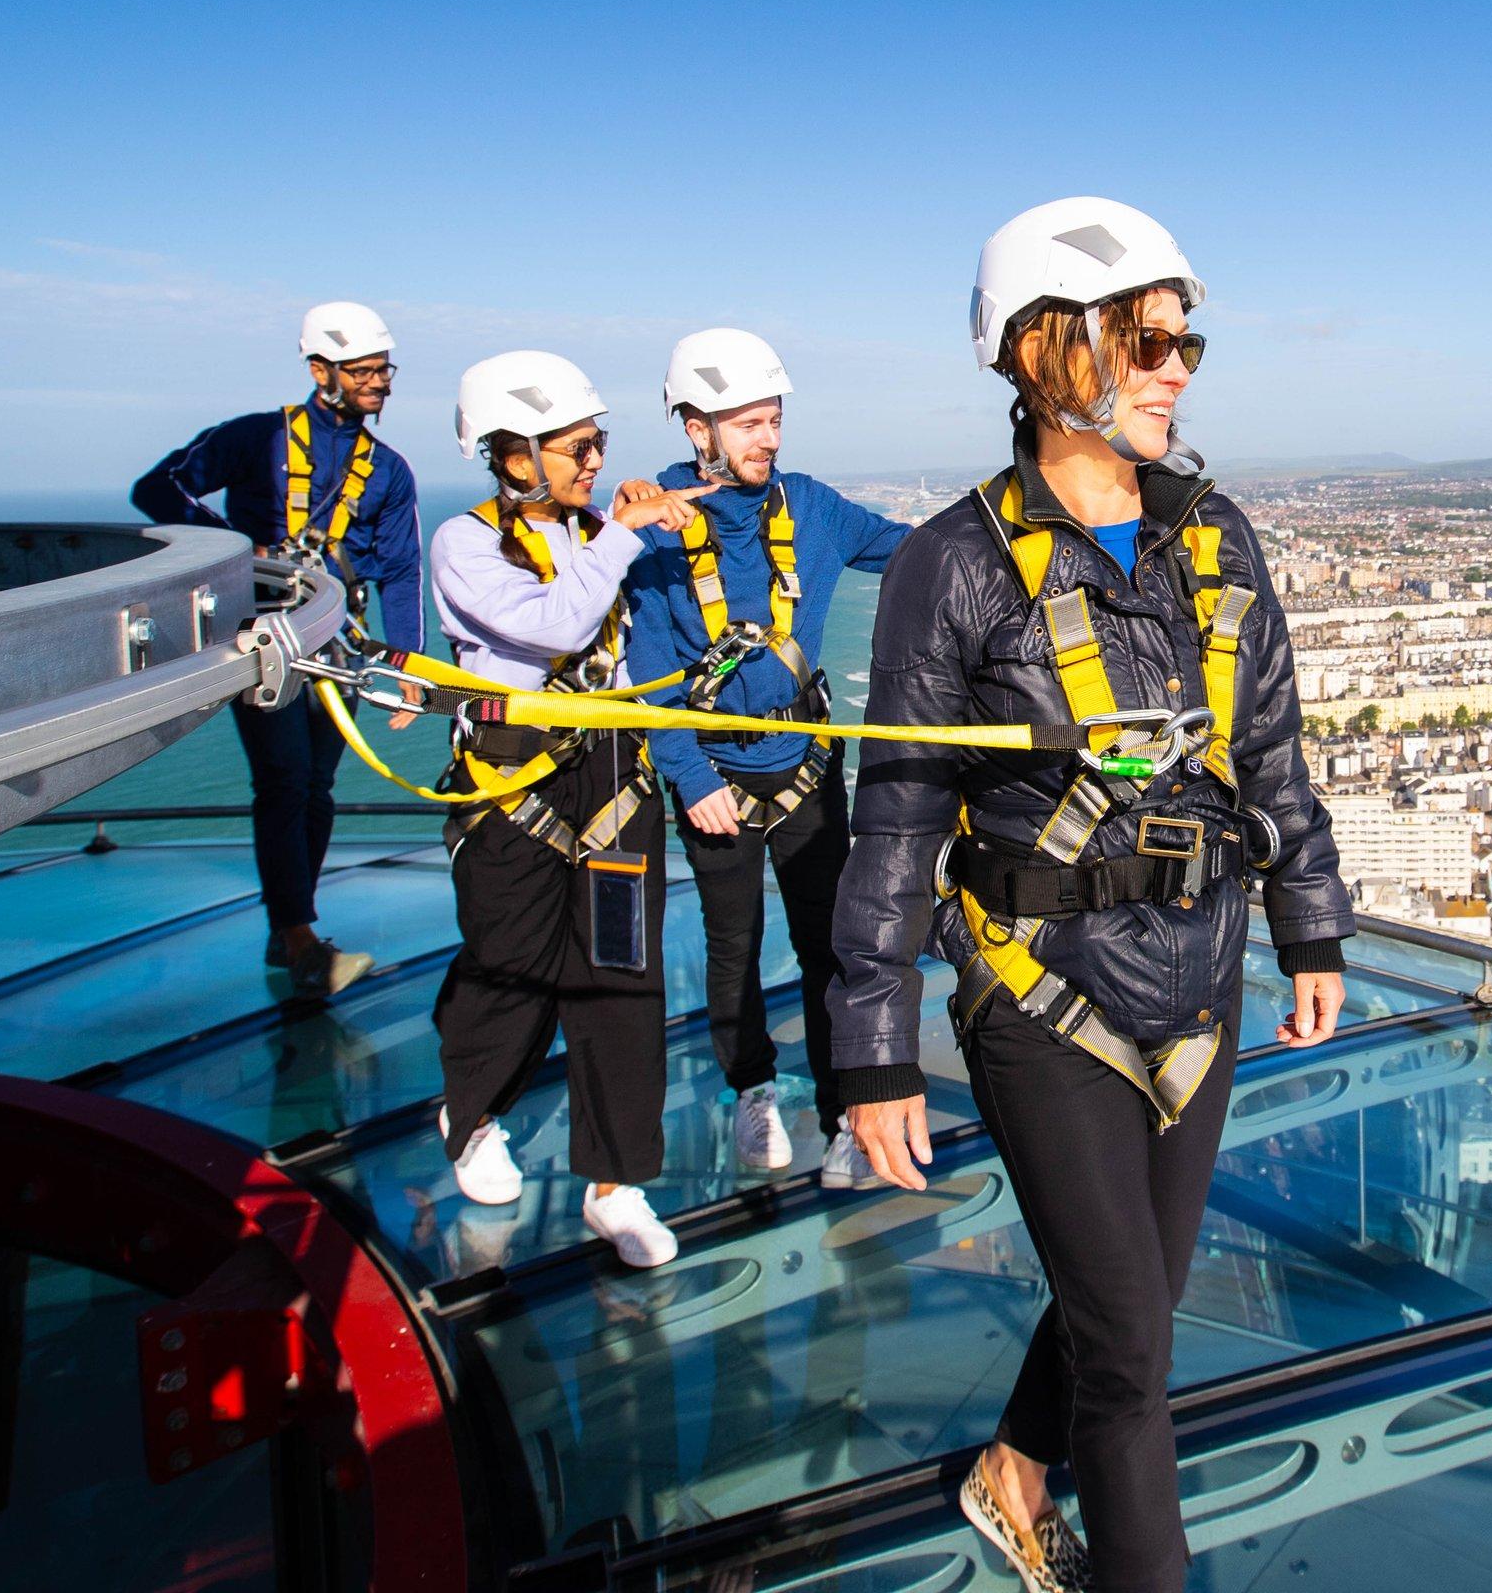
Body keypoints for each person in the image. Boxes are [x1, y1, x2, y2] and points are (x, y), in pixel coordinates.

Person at [830, 198, 1351, 1593]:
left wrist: (1310, 922)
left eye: (1187, 339)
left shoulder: (1217, 538)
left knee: (1133, 1304)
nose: (1179, 364)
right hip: (1042, 997)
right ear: (1048, 351)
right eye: (1148, 336)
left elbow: (1272, 752)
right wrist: (873, 1052)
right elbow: (896, 819)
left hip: (1203, 979)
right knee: (1129, 1353)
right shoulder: (952, 567)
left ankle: (1009, 1468)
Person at [427, 350, 710, 1268]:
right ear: (514, 456)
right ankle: (472, 1113)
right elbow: (554, 626)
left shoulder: (596, 527)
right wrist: (620, 533)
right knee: (509, 956)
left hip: (613, 768)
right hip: (514, 775)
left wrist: (640, 516)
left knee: (620, 973)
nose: (593, 461)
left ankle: (616, 1181)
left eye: (598, 444)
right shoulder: (463, 544)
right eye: (576, 446)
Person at [625, 329, 910, 1189]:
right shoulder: (656, 528)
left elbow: (913, 552)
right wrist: (690, 776)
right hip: (716, 774)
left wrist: (1015, 516)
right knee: (732, 944)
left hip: (807, 766)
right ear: (696, 429)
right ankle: (753, 1086)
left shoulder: (812, 509)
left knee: (832, 945)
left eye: (774, 419)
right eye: (748, 422)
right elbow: (646, 673)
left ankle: (840, 1116)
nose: (769, 438)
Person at [133, 301, 422, 998]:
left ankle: (290, 926)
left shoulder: (387, 470)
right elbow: (157, 488)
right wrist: (234, 546)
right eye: (363, 370)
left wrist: (405, 662)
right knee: (286, 779)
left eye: (384, 369)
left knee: (315, 786)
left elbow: (403, 567)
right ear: (320, 370)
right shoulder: (253, 439)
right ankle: (298, 939)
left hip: (336, 639)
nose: (379, 382)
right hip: (261, 634)